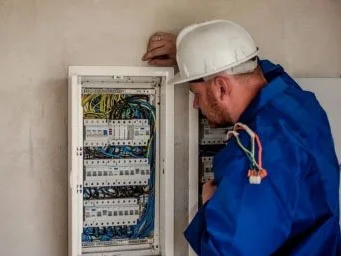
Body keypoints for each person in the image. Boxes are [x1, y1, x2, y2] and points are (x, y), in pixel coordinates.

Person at [142, 19, 341, 255]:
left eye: (196, 93)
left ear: (221, 87)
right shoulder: (301, 103)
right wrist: (193, 54)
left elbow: (228, 251)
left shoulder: (255, 152)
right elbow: (257, 69)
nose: (195, 104)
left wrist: (210, 206)